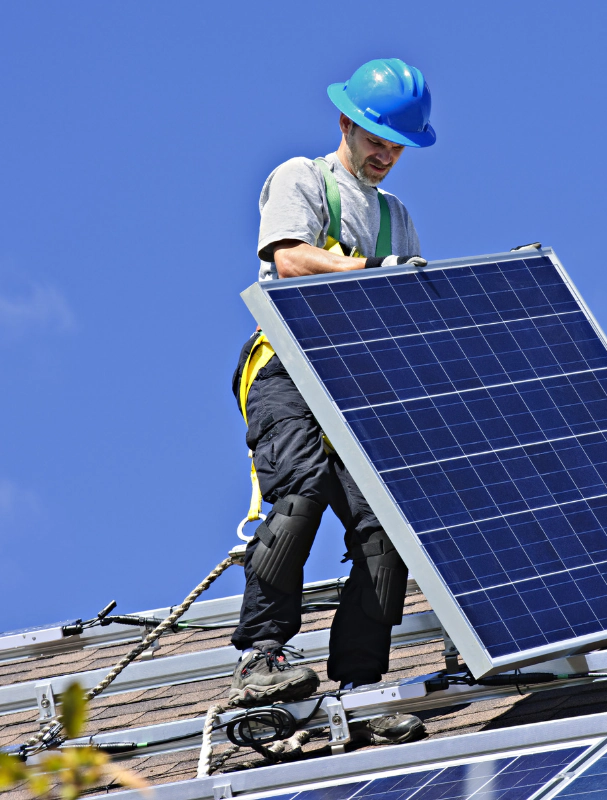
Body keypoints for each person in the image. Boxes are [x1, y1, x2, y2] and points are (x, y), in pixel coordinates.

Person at [229, 58, 436, 744]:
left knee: (385, 523)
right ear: (347, 122)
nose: (384, 154)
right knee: (300, 489)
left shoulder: (396, 217)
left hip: (358, 384)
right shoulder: (301, 179)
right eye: (376, 137)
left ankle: (360, 684)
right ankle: (264, 655)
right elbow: (290, 260)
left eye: (396, 145)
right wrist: (371, 270)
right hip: (288, 370)